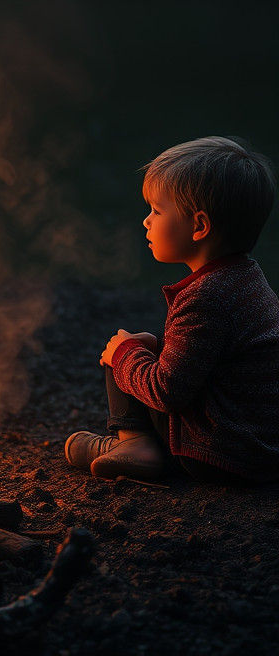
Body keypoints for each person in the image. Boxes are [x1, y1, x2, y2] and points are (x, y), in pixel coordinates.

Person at [65, 136, 279, 483]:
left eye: (157, 211)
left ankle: (135, 446)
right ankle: (138, 445)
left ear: (199, 226)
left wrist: (124, 354)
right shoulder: (247, 280)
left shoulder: (205, 297)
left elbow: (166, 391)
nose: (147, 221)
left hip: (219, 454)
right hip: (260, 446)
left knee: (124, 347)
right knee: (144, 344)